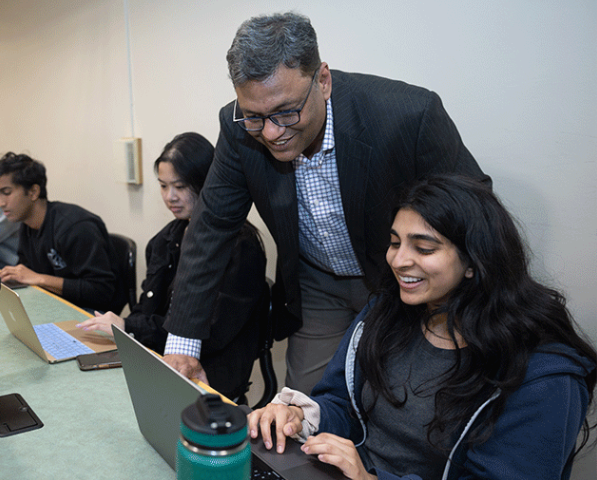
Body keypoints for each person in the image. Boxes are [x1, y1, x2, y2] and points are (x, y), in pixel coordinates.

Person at [162, 12, 490, 392]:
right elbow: (212, 228)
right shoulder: (237, 127)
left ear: (323, 80)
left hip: (401, 277)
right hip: (316, 282)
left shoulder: (408, 114)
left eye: (286, 111)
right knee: (303, 407)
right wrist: (183, 345)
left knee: (407, 397)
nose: (271, 132)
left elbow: (477, 210)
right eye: (255, 117)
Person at [247, 175, 597, 480]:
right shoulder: (385, 314)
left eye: (424, 248)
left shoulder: (543, 375)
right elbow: (343, 404)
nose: (398, 261)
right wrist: (300, 417)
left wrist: (370, 479)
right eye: (396, 242)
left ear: (475, 261)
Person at [76, 133, 268, 401]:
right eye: (163, 186)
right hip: (160, 360)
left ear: (205, 182)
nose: (170, 197)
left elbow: (213, 334)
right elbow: (146, 308)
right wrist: (126, 326)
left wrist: (130, 326)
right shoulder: (166, 238)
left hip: (209, 378)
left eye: (179, 186)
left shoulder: (241, 245)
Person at [0, 152, 125, 314]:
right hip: (53, 305)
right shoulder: (26, 224)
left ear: (33, 192)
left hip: (91, 314)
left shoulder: (75, 227)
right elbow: (26, 272)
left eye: (6, 192)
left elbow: (101, 291)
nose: (0, 203)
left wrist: (39, 279)